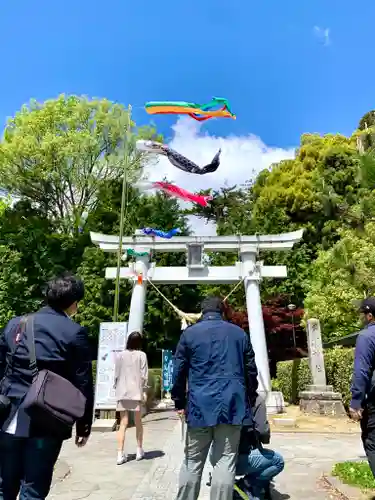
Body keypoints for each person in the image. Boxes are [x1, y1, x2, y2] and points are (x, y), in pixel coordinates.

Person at [0, 272, 94, 500]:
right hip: (46, 419)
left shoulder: (15, 324)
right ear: (74, 303)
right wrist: (83, 425)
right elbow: (83, 384)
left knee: (4, 486)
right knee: (33, 489)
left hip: (7, 416)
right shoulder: (74, 333)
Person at [172, 296, 258, 500]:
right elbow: (251, 371)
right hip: (232, 405)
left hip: (199, 406)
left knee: (192, 462)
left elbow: (179, 371)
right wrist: (250, 398)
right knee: (225, 461)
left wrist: (179, 401)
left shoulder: (189, 334)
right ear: (222, 311)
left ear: (202, 312)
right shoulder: (239, 334)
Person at [114, 331, 148, 465]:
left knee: (123, 423)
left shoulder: (120, 355)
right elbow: (144, 375)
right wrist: (144, 390)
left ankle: (119, 454)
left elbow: (116, 374)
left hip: (122, 392)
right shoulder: (142, 355)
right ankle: (139, 450)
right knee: (138, 422)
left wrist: (116, 386)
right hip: (136, 392)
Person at [349, 297, 375, 477]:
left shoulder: (367, 336)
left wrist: (356, 402)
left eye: (363, 314)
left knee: (372, 442)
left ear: (370, 316)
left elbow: (361, 372)